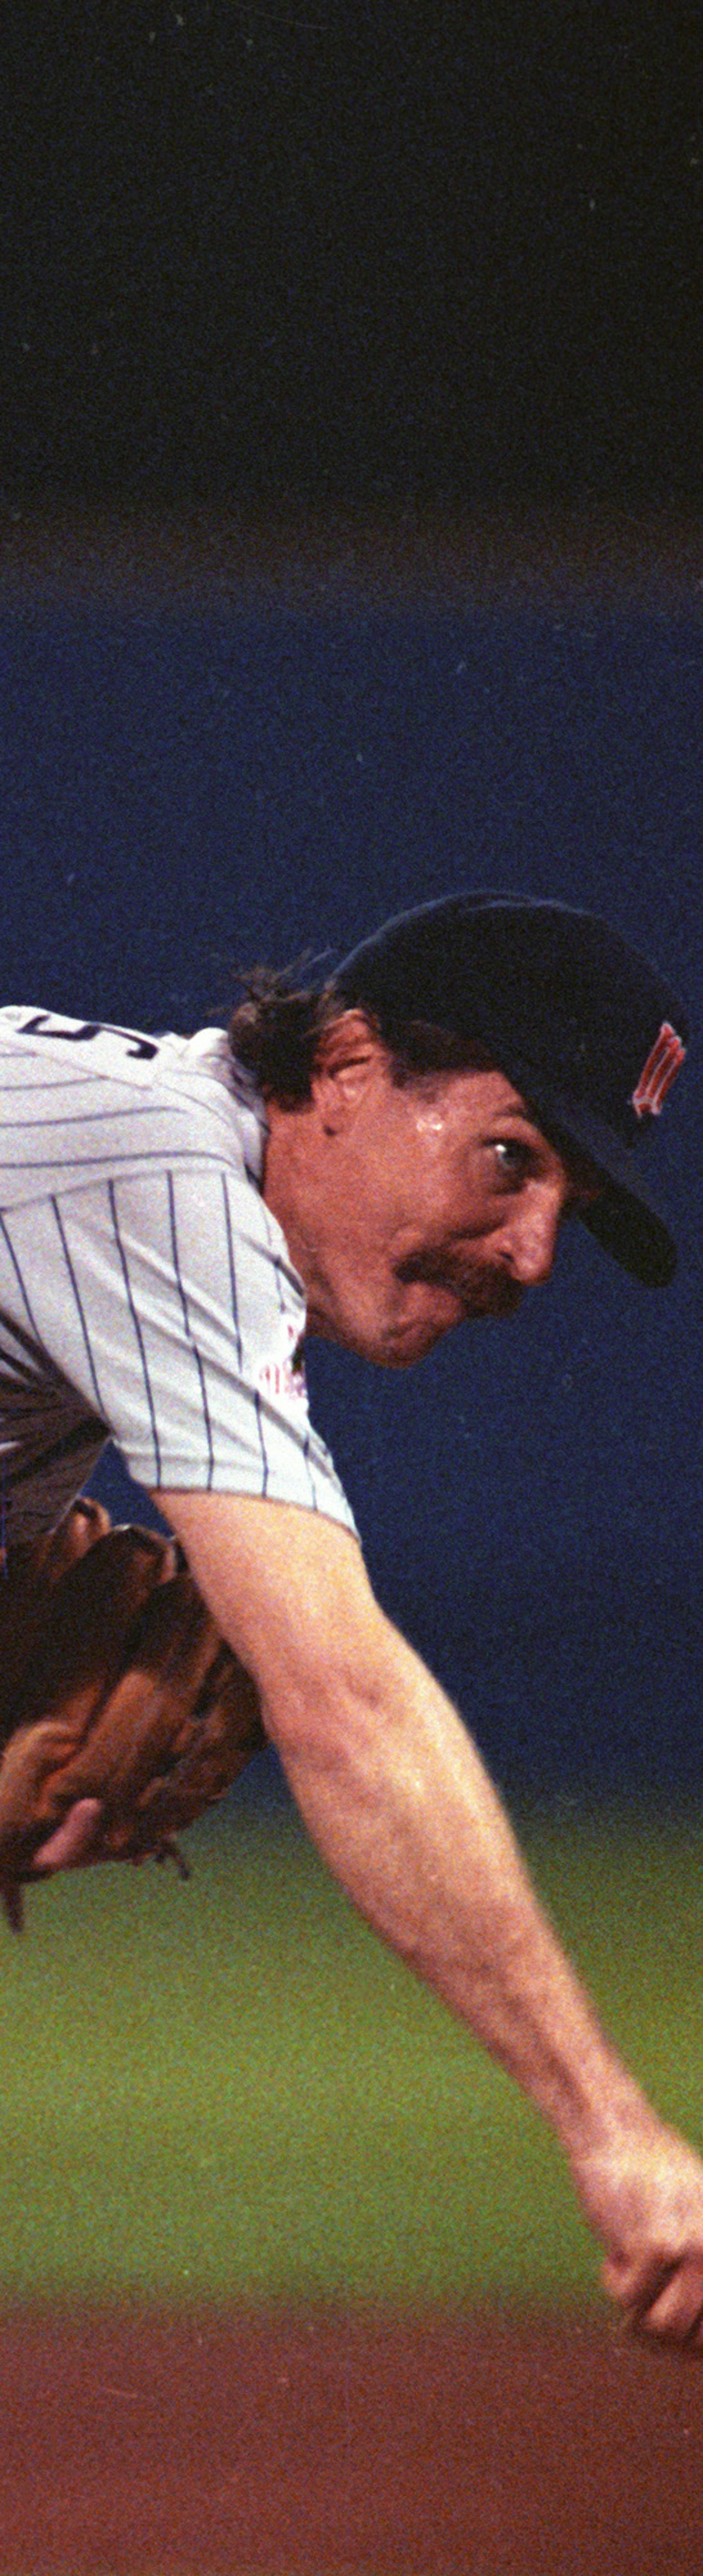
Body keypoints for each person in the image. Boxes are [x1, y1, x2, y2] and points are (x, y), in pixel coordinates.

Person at [0, 889, 700, 2350]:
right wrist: (613, 2128)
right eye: (512, 1158)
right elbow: (346, 1700)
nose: (530, 1256)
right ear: (348, 1067)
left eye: (566, 1200)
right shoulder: (160, 1173)